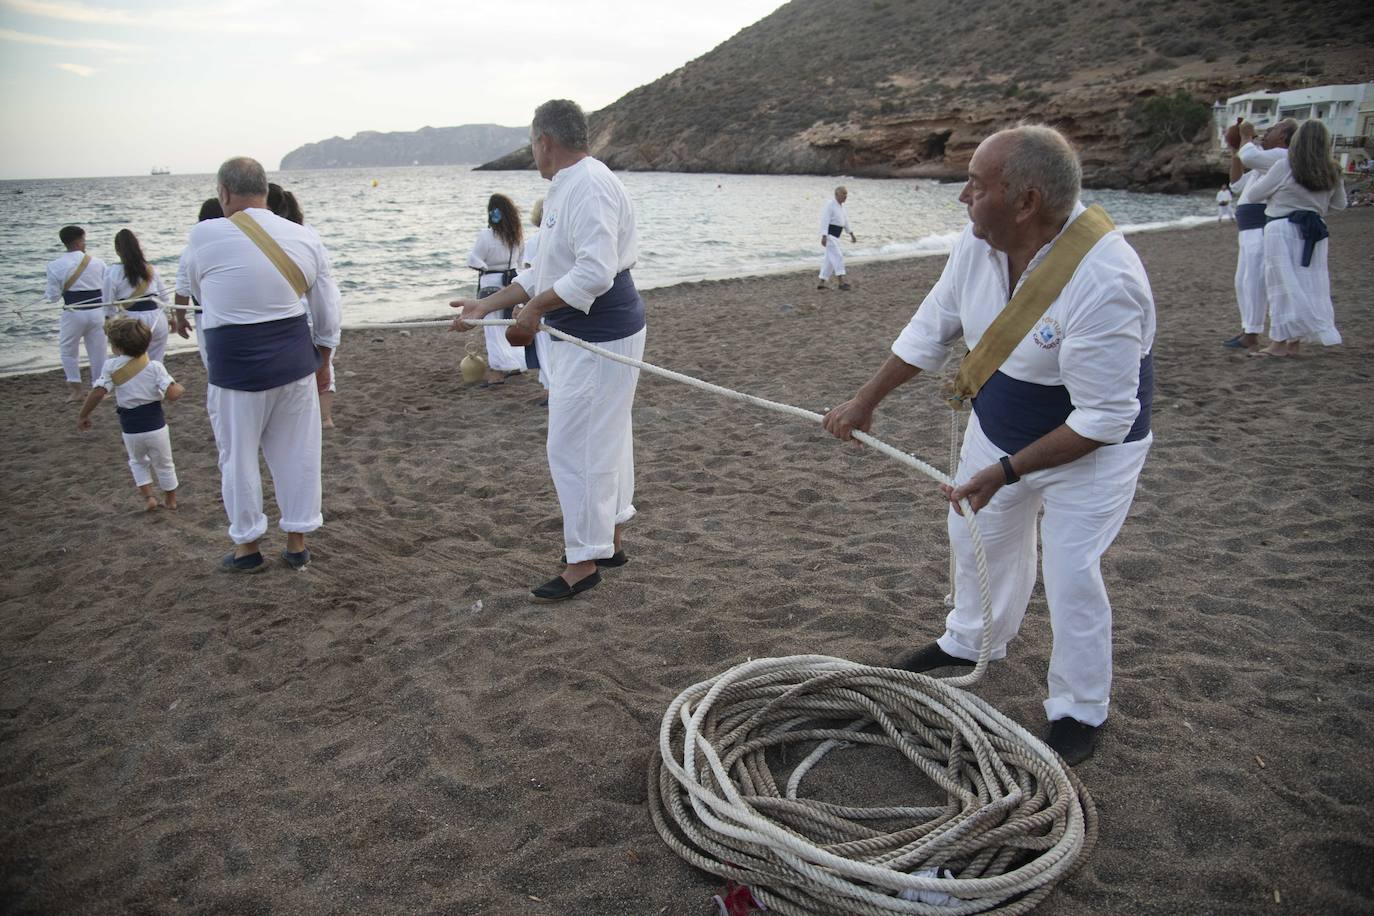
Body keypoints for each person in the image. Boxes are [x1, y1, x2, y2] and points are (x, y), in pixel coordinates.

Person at [822, 125, 1156, 765]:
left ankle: (1079, 707)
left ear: (1026, 201)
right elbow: (933, 327)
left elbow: (1105, 418)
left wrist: (1009, 471)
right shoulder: (979, 242)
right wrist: (866, 401)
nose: (962, 198)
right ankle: (973, 641)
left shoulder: (1107, 279)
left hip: (1091, 451)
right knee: (974, 535)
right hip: (1000, 426)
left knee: (1071, 573)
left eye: (976, 185)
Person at [451, 99, 645, 600]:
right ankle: (610, 541)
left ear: (544, 141)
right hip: (594, 333)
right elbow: (546, 270)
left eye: (532, 142)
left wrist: (534, 310)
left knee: (574, 446)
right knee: (606, 437)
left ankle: (583, 561)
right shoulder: (569, 186)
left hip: (599, 333)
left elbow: (595, 272)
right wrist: (486, 307)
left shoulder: (588, 185)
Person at [178, 157, 342, 572]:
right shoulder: (304, 237)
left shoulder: (204, 235)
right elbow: (327, 310)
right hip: (293, 361)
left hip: (235, 367)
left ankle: (248, 547)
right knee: (298, 453)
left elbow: (200, 293)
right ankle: (297, 542)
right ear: (266, 191)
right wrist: (324, 357)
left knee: (238, 457)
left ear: (224, 193)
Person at [1245, 119, 1347, 359]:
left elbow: (1253, 194)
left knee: (1281, 285)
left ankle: (1279, 343)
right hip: (1314, 230)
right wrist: (1314, 205)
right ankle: (1294, 343)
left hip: (1282, 229)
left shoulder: (1286, 165)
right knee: (1309, 284)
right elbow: (1340, 204)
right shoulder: (1332, 169)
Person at [76, 317, 184, 511]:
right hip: (155, 425)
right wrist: (179, 387)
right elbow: (173, 394)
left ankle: (149, 497)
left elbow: (99, 392)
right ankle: (171, 500)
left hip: (130, 427)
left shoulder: (110, 366)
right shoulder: (154, 367)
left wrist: (83, 414)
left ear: (117, 346)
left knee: (138, 462)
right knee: (165, 463)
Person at [1225, 118, 1298, 350]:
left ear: (1284, 138)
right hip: (1248, 228)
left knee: (1254, 280)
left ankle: (1252, 332)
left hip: (1261, 226)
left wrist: (1245, 136)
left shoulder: (1282, 156)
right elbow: (1236, 184)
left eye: (1273, 129)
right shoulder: (1265, 164)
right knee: (1243, 281)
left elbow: (1251, 157)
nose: (1266, 132)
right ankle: (1249, 328)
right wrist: (1236, 149)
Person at [268, 183, 337, 428]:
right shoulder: (306, 232)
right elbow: (324, 281)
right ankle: (324, 417)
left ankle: (314, 417)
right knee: (322, 365)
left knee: (298, 372)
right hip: (313, 306)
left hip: (293, 313)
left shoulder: (273, 234)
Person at [465, 193, 526, 388]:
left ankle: (498, 371)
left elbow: (473, 259)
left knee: (492, 328)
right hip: (512, 281)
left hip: (491, 281)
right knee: (508, 323)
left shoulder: (486, 235)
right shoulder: (516, 236)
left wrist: (483, 266)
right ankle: (516, 363)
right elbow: (521, 261)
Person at [45, 225, 107, 401]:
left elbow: (53, 297)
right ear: (79, 241)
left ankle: (76, 391)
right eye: (84, 240)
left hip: (74, 313)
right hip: (97, 312)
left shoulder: (54, 266)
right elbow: (106, 289)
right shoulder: (98, 262)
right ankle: (99, 390)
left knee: (68, 351)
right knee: (98, 351)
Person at [102, 229, 170, 363]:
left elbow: (108, 303)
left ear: (117, 250)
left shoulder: (112, 272)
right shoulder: (150, 268)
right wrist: (171, 317)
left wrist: (109, 322)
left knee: (131, 363)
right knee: (157, 362)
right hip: (157, 317)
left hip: (132, 321)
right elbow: (164, 297)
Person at [173, 198, 224, 368]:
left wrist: (180, 319)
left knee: (212, 363)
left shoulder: (191, 250)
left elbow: (182, 290)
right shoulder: (238, 242)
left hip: (205, 314)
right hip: (238, 309)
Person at [524, 197, 552, 396]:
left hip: (540, 301)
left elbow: (528, 274)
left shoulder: (534, 241)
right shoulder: (552, 238)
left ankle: (552, 389)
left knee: (545, 347)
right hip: (556, 299)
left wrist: (523, 305)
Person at [817, 186, 857, 291]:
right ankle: (841, 282)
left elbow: (845, 222)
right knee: (838, 257)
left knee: (829, 261)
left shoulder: (842, 207)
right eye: (843, 194)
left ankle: (821, 283)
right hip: (830, 235)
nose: (845, 196)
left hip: (836, 236)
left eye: (846, 194)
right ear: (836, 195)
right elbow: (824, 221)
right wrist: (824, 236)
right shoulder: (830, 205)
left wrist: (851, 233)